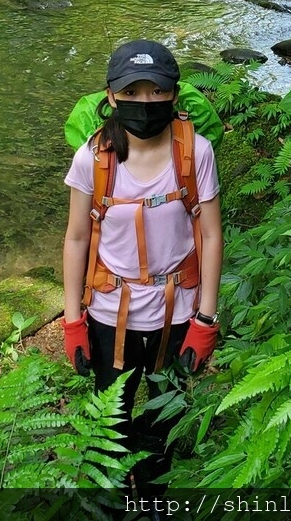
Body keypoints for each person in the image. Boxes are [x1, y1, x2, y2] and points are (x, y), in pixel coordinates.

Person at [61, 39, 223, 499]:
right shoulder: (92, 158)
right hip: (110, 313)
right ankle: (114, 491)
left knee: (163, 412)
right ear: (111, 97)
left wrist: (205, 320)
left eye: (156, 92)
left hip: (178, 311)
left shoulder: (196, 154)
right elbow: (76, 238)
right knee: (111, 412)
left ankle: (153, 490)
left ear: (174, 95)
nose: (145, 103)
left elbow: (211, 235)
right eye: (132, 93)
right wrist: (73, 321)